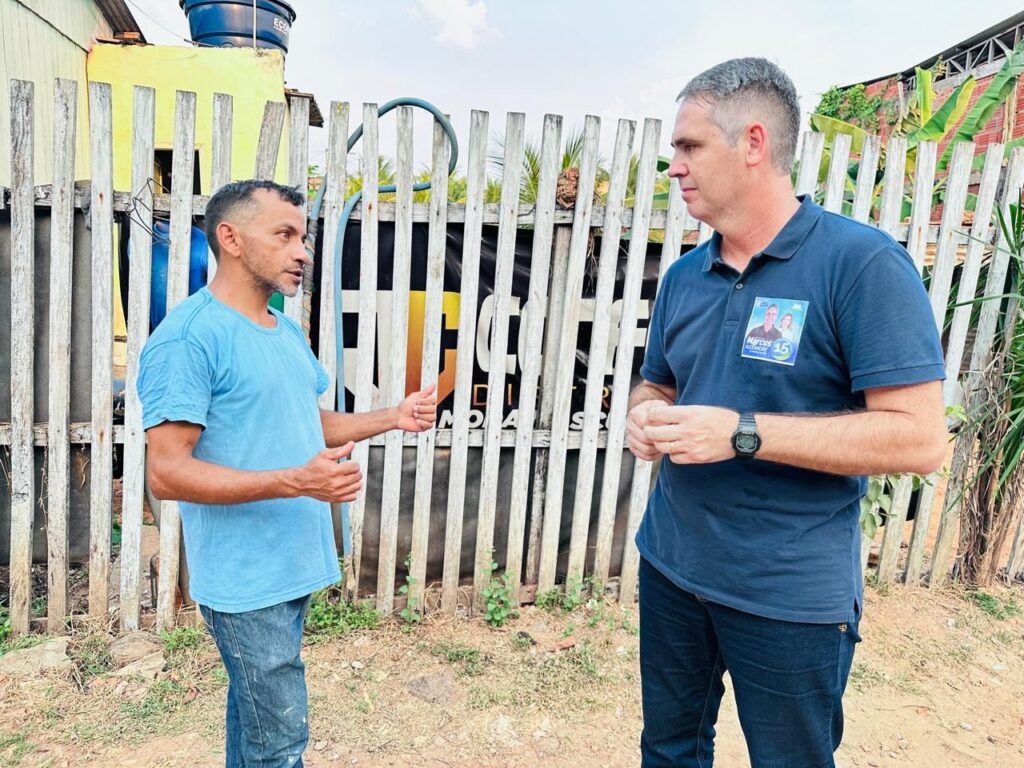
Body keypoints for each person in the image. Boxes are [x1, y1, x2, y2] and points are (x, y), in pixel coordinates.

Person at [625, 59, 947, 768]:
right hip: (673, 566)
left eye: (689, 146)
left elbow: (921, 439)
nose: (674, 166)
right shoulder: (684, 277)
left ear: (753, 142)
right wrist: (644, 415)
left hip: (788, 593)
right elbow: (657, 386)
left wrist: (742, 433)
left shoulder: (861, 265)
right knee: (669, 750)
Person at [138, 179, 437, 768]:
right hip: (246, 579)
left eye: (303, 237)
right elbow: (167, 474)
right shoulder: (188, 340)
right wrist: (295, 482)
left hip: (289, 561)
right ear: (231, 239)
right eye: (284, 235)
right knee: (278, 745)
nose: (302, 252)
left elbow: (305, 420)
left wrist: (392, 416)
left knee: (255, 724)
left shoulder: (285, 331)